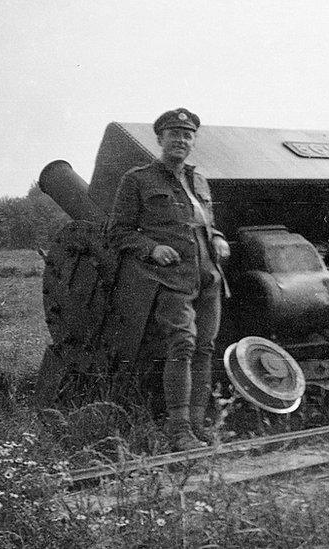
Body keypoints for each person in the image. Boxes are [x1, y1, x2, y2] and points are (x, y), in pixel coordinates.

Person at [109, 108, 230, 451]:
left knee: (206, 348)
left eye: (187, 135)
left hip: (209, 278)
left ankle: (197, 424)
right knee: (182, 346)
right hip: (170, 280)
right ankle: (178, 431)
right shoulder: (138, 179)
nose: (180, 140)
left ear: (193, 141)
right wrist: (151, 247)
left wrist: (218, 237)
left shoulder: (200, 181)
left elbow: (205, 224)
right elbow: (117, 232)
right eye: (173, 134)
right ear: (160, 139)